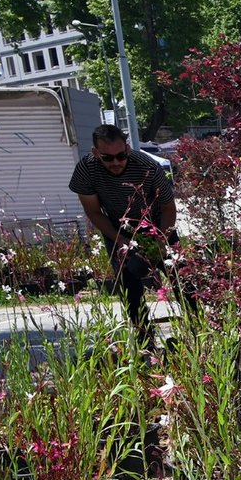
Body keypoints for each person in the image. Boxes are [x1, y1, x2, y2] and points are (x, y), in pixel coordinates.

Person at [68, 123, 177, 343]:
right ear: (95, 153)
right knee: (129, 289)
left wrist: (161, 241)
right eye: (108, 158)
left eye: (120, 156)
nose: (116, 162)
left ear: (127, 149)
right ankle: (146, 342)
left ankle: (199, 330)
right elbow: (93, 212)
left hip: (157, 223)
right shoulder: (85, 170)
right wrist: (121, 240)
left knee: (181, 277)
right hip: (116, 226)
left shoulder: (146, 165)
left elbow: (168, 207)